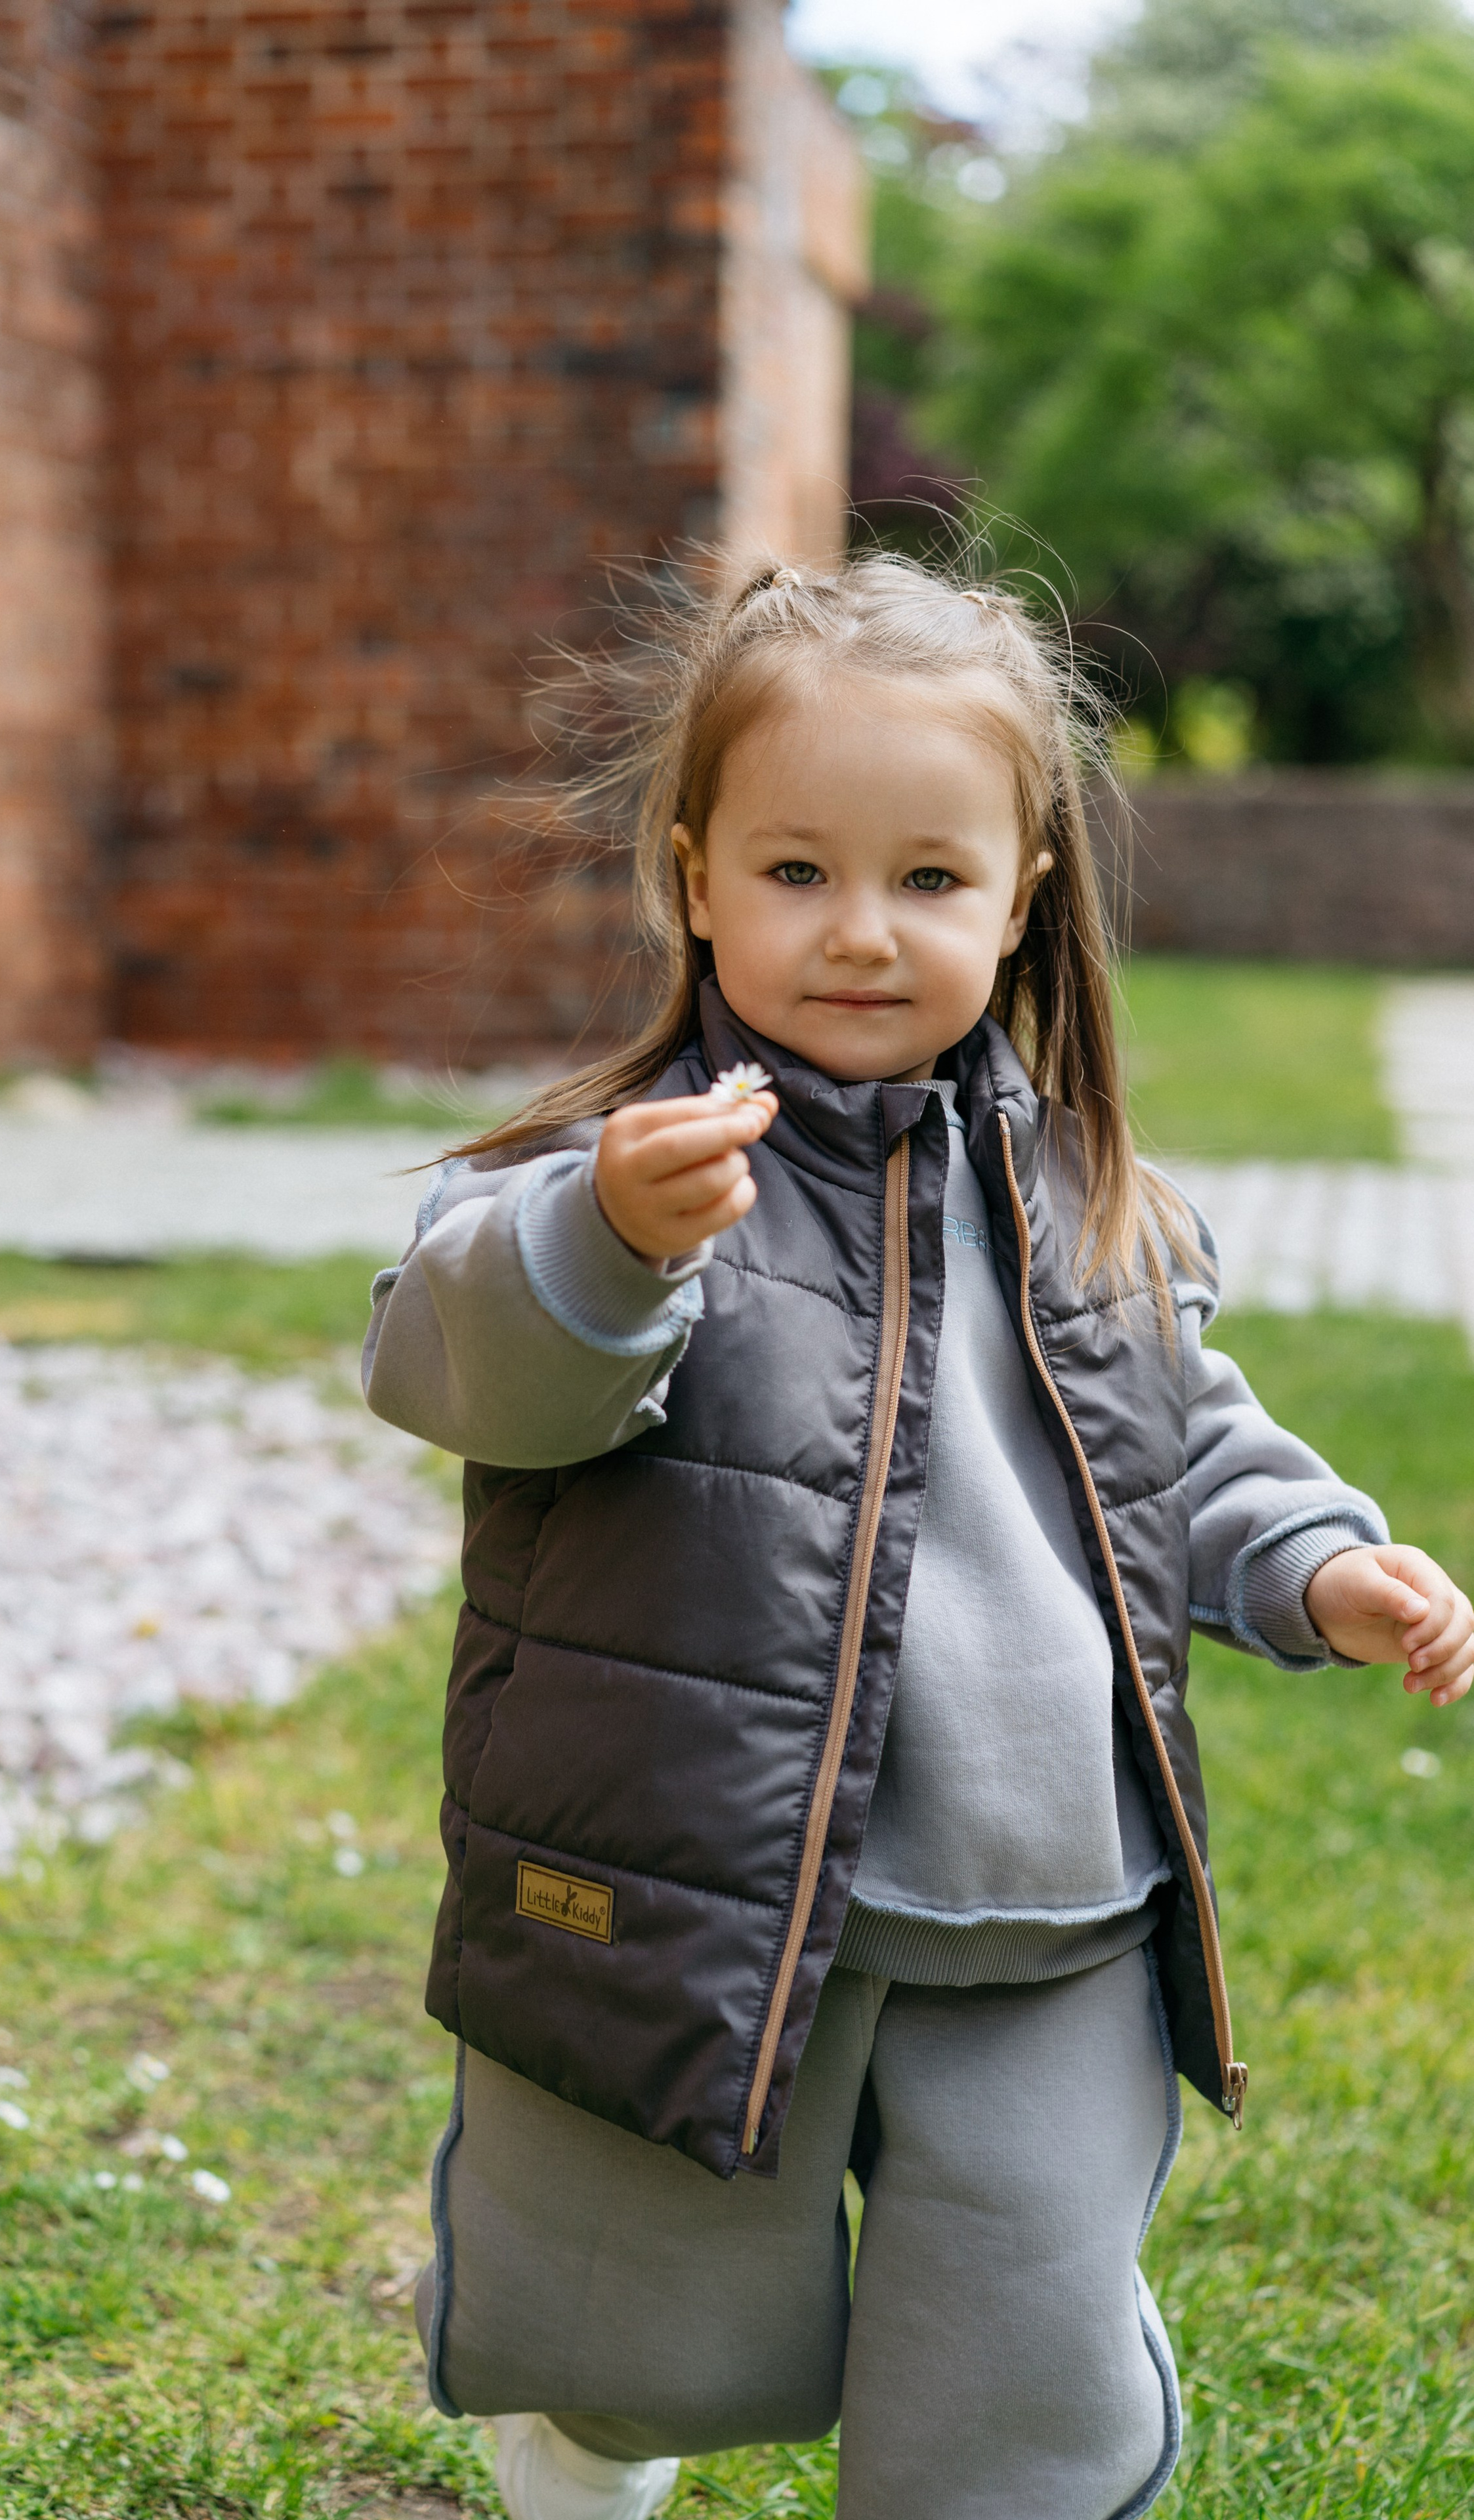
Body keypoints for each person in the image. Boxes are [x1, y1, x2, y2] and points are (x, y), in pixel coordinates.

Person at [361, 555, 1473, 2520]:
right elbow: (474, 1378)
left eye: (931, 881)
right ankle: (595, 2446)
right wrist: (605, 1244)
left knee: (1016, 2372)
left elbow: (1183, 1448)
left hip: (1046, 1897)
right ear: (695, 876)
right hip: (707, 1885)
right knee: (653, 2336)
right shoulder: (625, 1179)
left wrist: (1316, 1562)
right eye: (796, 873)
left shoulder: (1090, 1196)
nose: (860, 934)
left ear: (1025, 894)